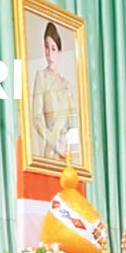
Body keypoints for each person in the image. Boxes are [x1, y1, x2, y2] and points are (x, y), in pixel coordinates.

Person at [31, 22, 77, 160]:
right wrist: (55, 144)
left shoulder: (66, 85)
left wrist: (67, 144)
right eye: (46, 47)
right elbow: (36, 118)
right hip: (51, 152)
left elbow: (72, 122)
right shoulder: (41, 77)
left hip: (67, 153)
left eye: (53, 48)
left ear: (59, 51)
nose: (49, 53)